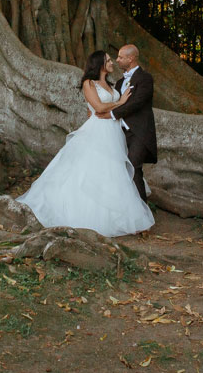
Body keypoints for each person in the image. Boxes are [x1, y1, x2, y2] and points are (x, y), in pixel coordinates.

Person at [16, 50, 155, 237]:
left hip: (115, 132)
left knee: (114, 171)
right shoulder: (88, 83)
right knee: (91, 170)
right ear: (99, 64)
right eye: (108, 60)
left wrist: (116, 105)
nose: (112, 62)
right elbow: (97, 108)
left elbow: (99, 110)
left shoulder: (115, 84)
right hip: (99, 131)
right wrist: (120, 102)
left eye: (114, 59)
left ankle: (121, 216)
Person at [98, 44, 156, 202]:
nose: (117, 60)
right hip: (119, 133)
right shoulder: (119, 83)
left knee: (134, 166)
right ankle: (126, 208)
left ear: (131, 58)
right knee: (118, 169)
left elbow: (137, 103)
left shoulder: (145, 78)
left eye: (120, 57)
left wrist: (111, 114)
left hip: (139, 132)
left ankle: (142, 213)